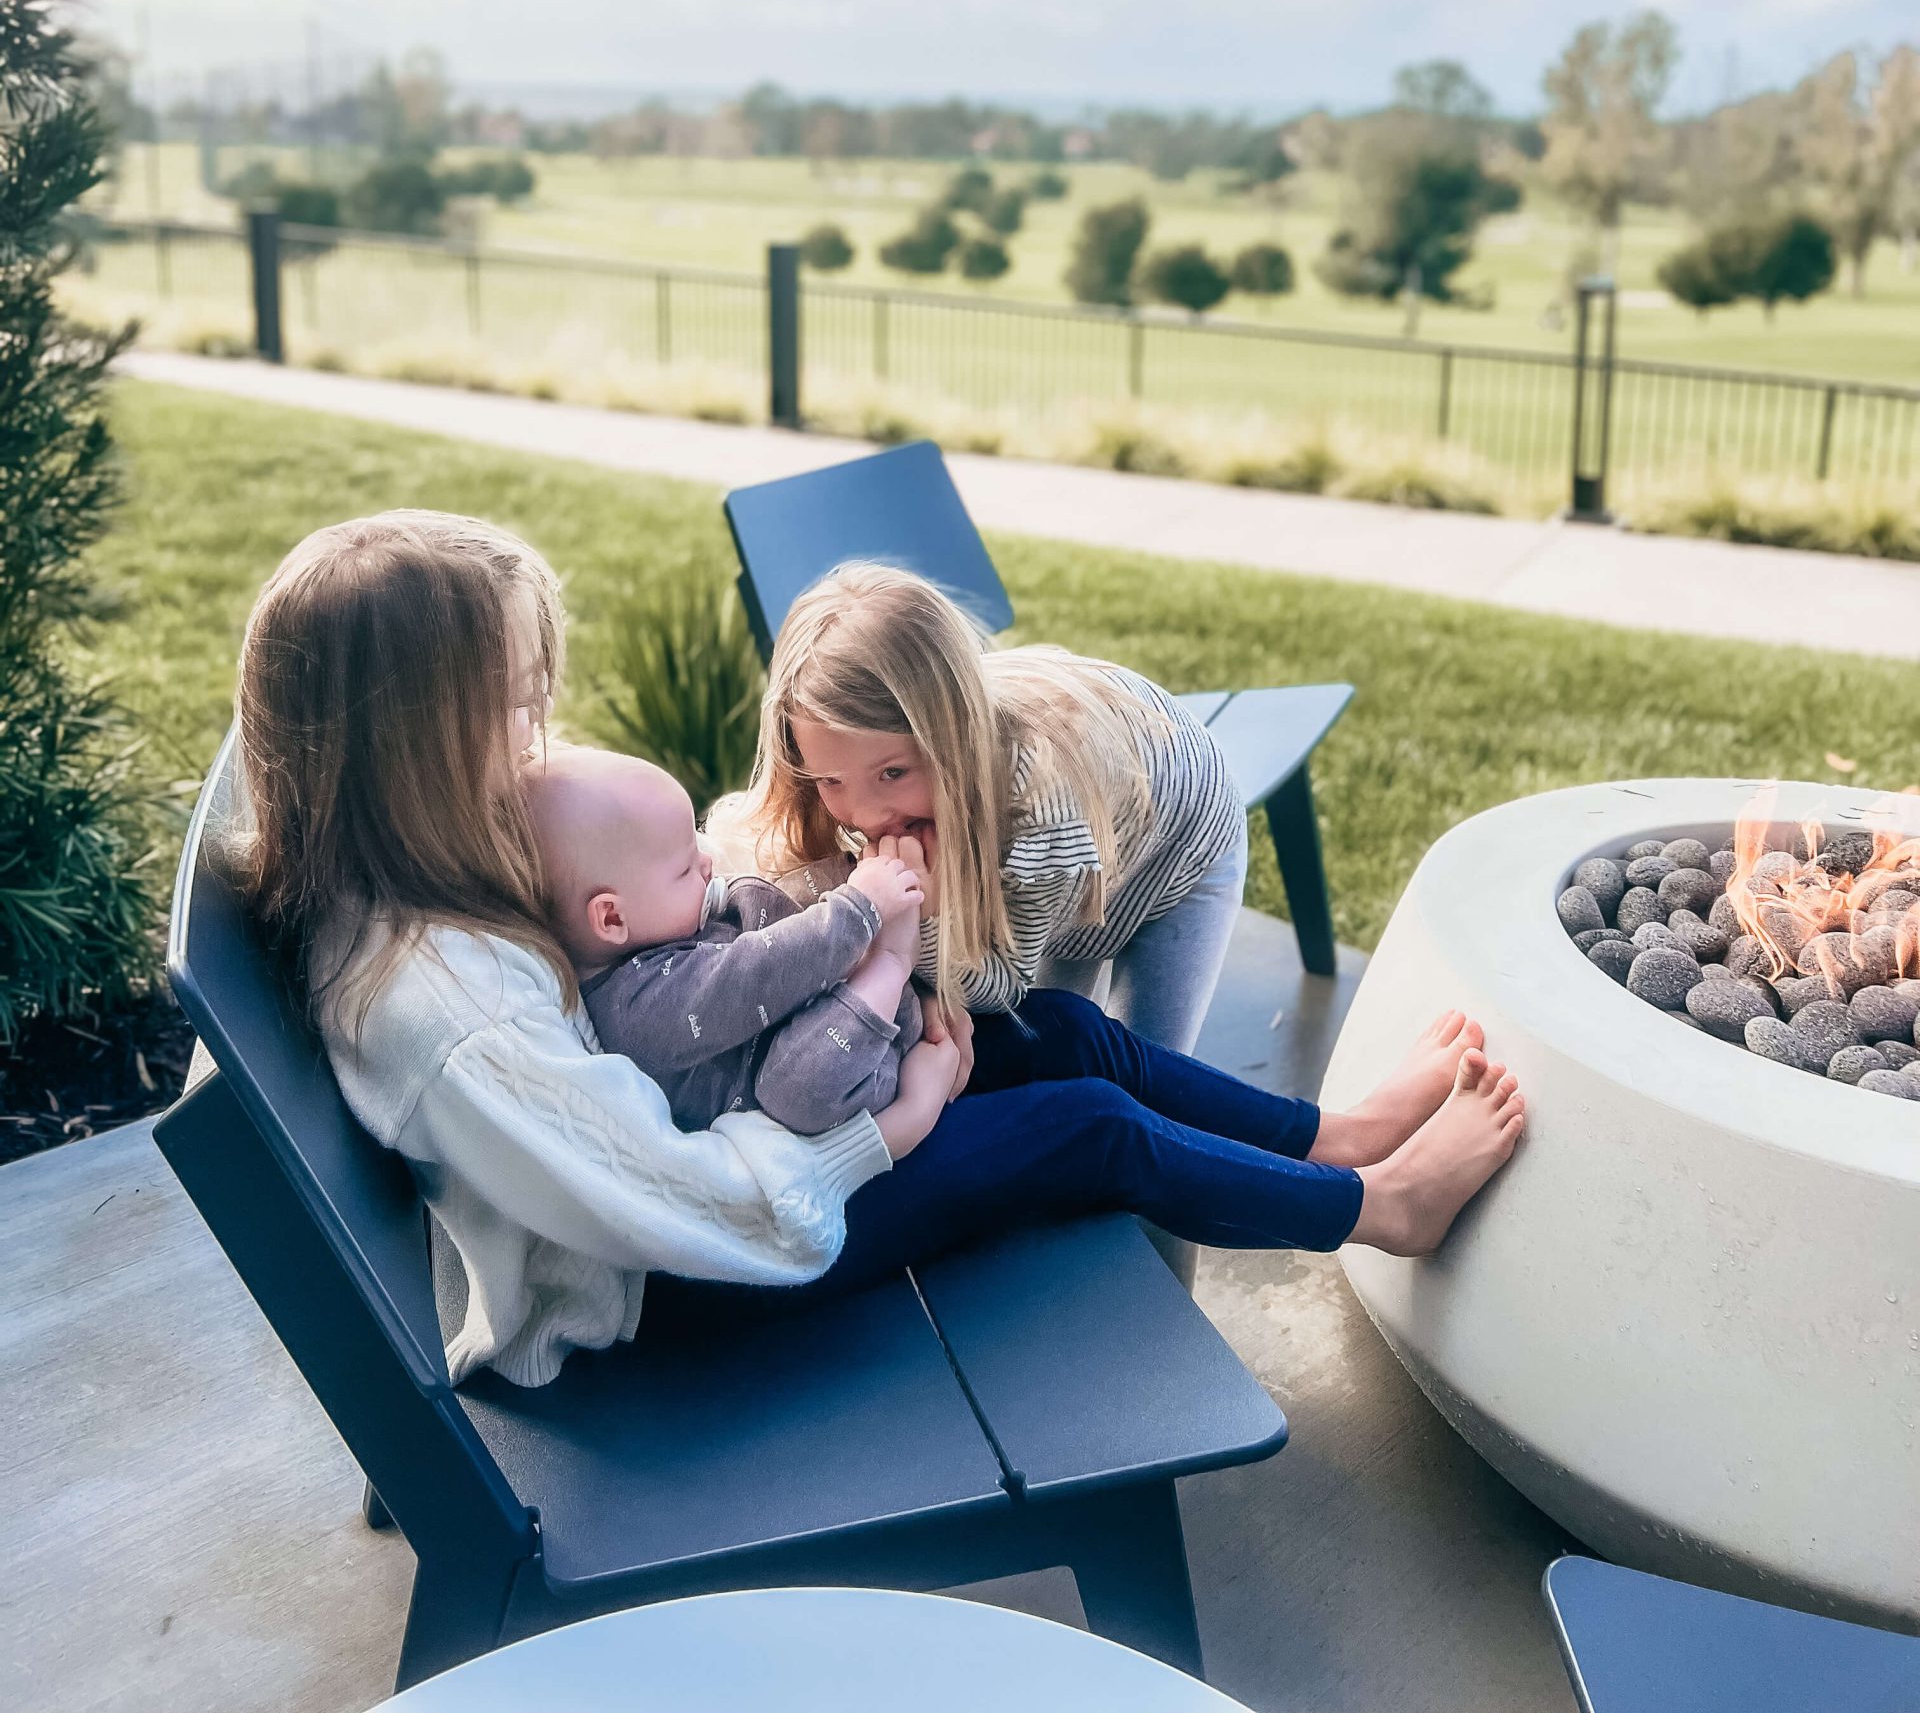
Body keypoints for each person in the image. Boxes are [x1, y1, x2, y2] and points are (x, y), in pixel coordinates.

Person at [234, 508, 1523, 1393]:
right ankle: (1380, 1210)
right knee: (1086, 1124)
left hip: (732, 1171)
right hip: (698, 1275)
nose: (538, 749)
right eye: (517, 716)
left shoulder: (414, 886)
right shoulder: (451, 1015)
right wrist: (895, 1121)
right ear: (406, 746)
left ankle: (1330, 1138)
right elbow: (690, 1208)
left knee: (1060, 1034)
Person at [708, 562, 1251, 1049]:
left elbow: (1004, 985)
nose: (867, 815)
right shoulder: (871, 778)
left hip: (1180, 851)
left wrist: (927, 917)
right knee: (1056, 1052)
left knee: (1152, 1075)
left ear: (952, 738)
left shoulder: (1040, 806)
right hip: (1067, 858)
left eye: (893, 773)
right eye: (831, 780)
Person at [526, 742, 926, 1137]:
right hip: (850, 1066)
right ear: (612, 916)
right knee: (793, 1091)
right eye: (684, 868)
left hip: (844, 1002)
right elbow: (755, 972)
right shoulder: (636, 1008)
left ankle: (890, 891)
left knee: (757, 894)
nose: (706, 862)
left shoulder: (660, 926)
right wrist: (860, 906)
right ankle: (890, 961)